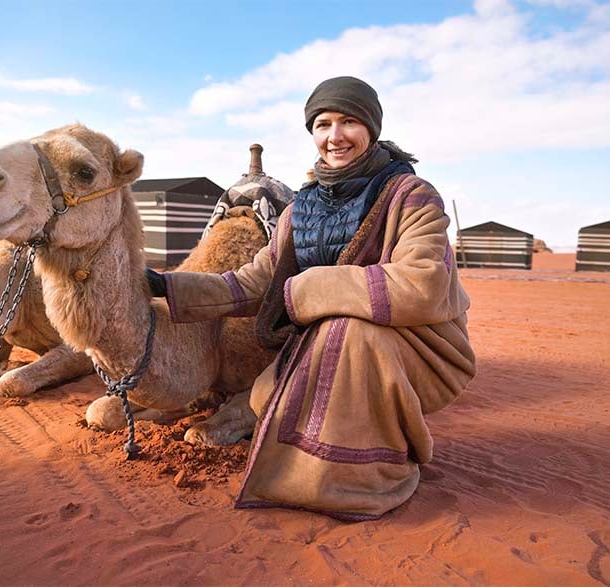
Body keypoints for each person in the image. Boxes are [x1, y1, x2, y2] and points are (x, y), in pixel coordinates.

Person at [146, 76, 476, 520]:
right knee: (320, 352)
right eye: (323, 124)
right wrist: (164, 286)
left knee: (350, 331)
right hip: (327, 344)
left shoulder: (411, 196)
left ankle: (361, 481)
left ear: (371, 130)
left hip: (420, 346)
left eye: (349, 121)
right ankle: (310, 469)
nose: (335, 136)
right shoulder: (301, 209)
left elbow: (423, 284)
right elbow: (252, 284)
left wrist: (310, 288)